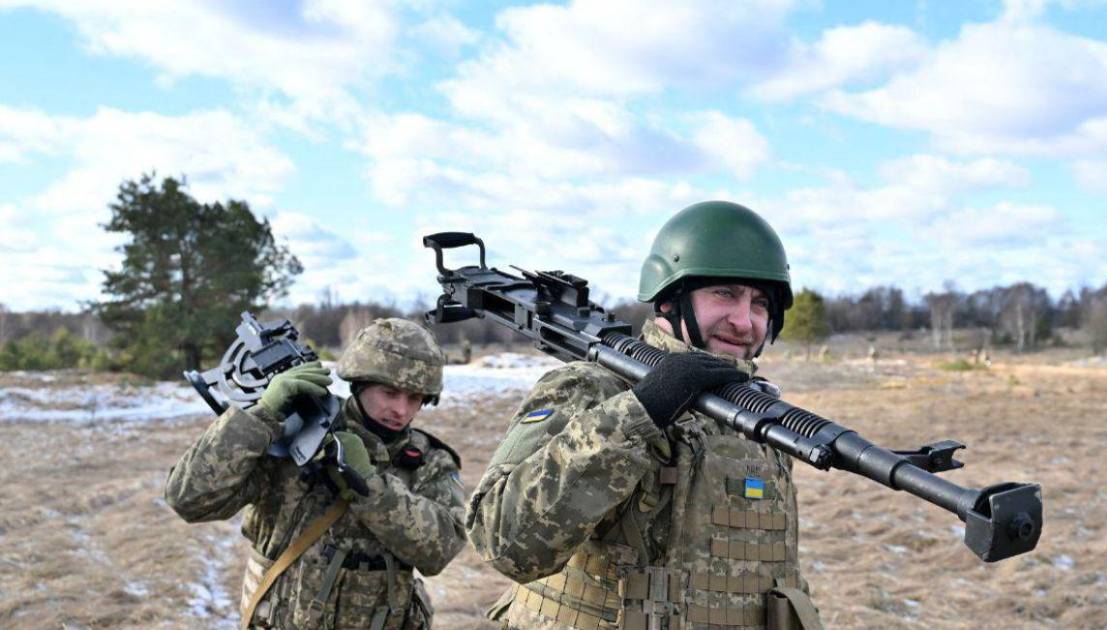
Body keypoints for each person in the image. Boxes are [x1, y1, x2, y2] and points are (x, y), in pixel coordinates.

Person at [467, 201, 824, 630]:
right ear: (671, 297)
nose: (745, 321)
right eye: (725, 293)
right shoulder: (594, 388)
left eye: (761, 302)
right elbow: (502, 540)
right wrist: (641, 412)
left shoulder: (755, 415)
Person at [165, 318, 466, 629]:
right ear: (360, 383)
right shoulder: (292, 429)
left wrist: (370, 487)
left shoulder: (429, 461)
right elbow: (188, 499)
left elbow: (439, 551)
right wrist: (258, 418)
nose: (401, 410)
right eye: (389, 393)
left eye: (414, 398)